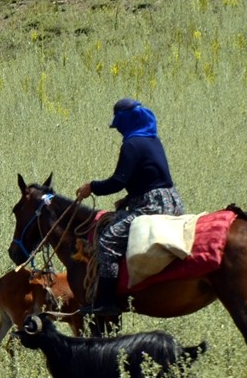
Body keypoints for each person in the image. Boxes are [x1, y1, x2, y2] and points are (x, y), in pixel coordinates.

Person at [74, 98, 184, 317]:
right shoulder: (153, 140)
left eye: (119, 125)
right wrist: (129, 198)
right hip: (172, 201)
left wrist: (92, 187)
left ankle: (106, 302)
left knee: (107, 242)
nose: (119, 131)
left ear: (127, 121)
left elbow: (118, 181)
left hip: (152, 206)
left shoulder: (132, 144)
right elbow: (149, 177)